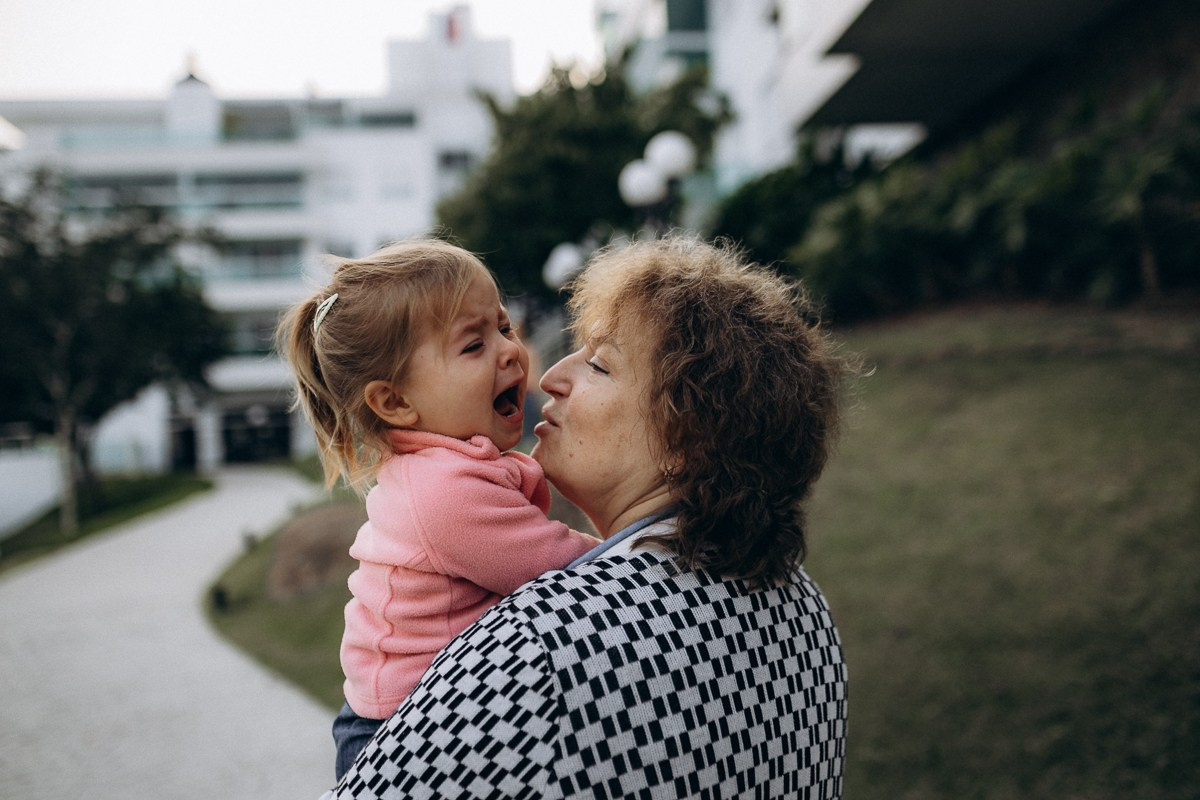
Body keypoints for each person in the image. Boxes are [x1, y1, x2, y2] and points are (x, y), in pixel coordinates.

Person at [324, 235, 850, 799]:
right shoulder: (805, 607)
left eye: (598, 364)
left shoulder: (546, 641)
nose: (549, 375)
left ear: (684, 438)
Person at [277, 239, 598, 781]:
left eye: (504, 326)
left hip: (431, 712)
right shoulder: (443, 493)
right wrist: (650, 548)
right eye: (473, 345)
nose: (509, 351)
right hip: (397, 733)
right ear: (396, 402)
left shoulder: (447, 467)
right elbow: (564, 567)